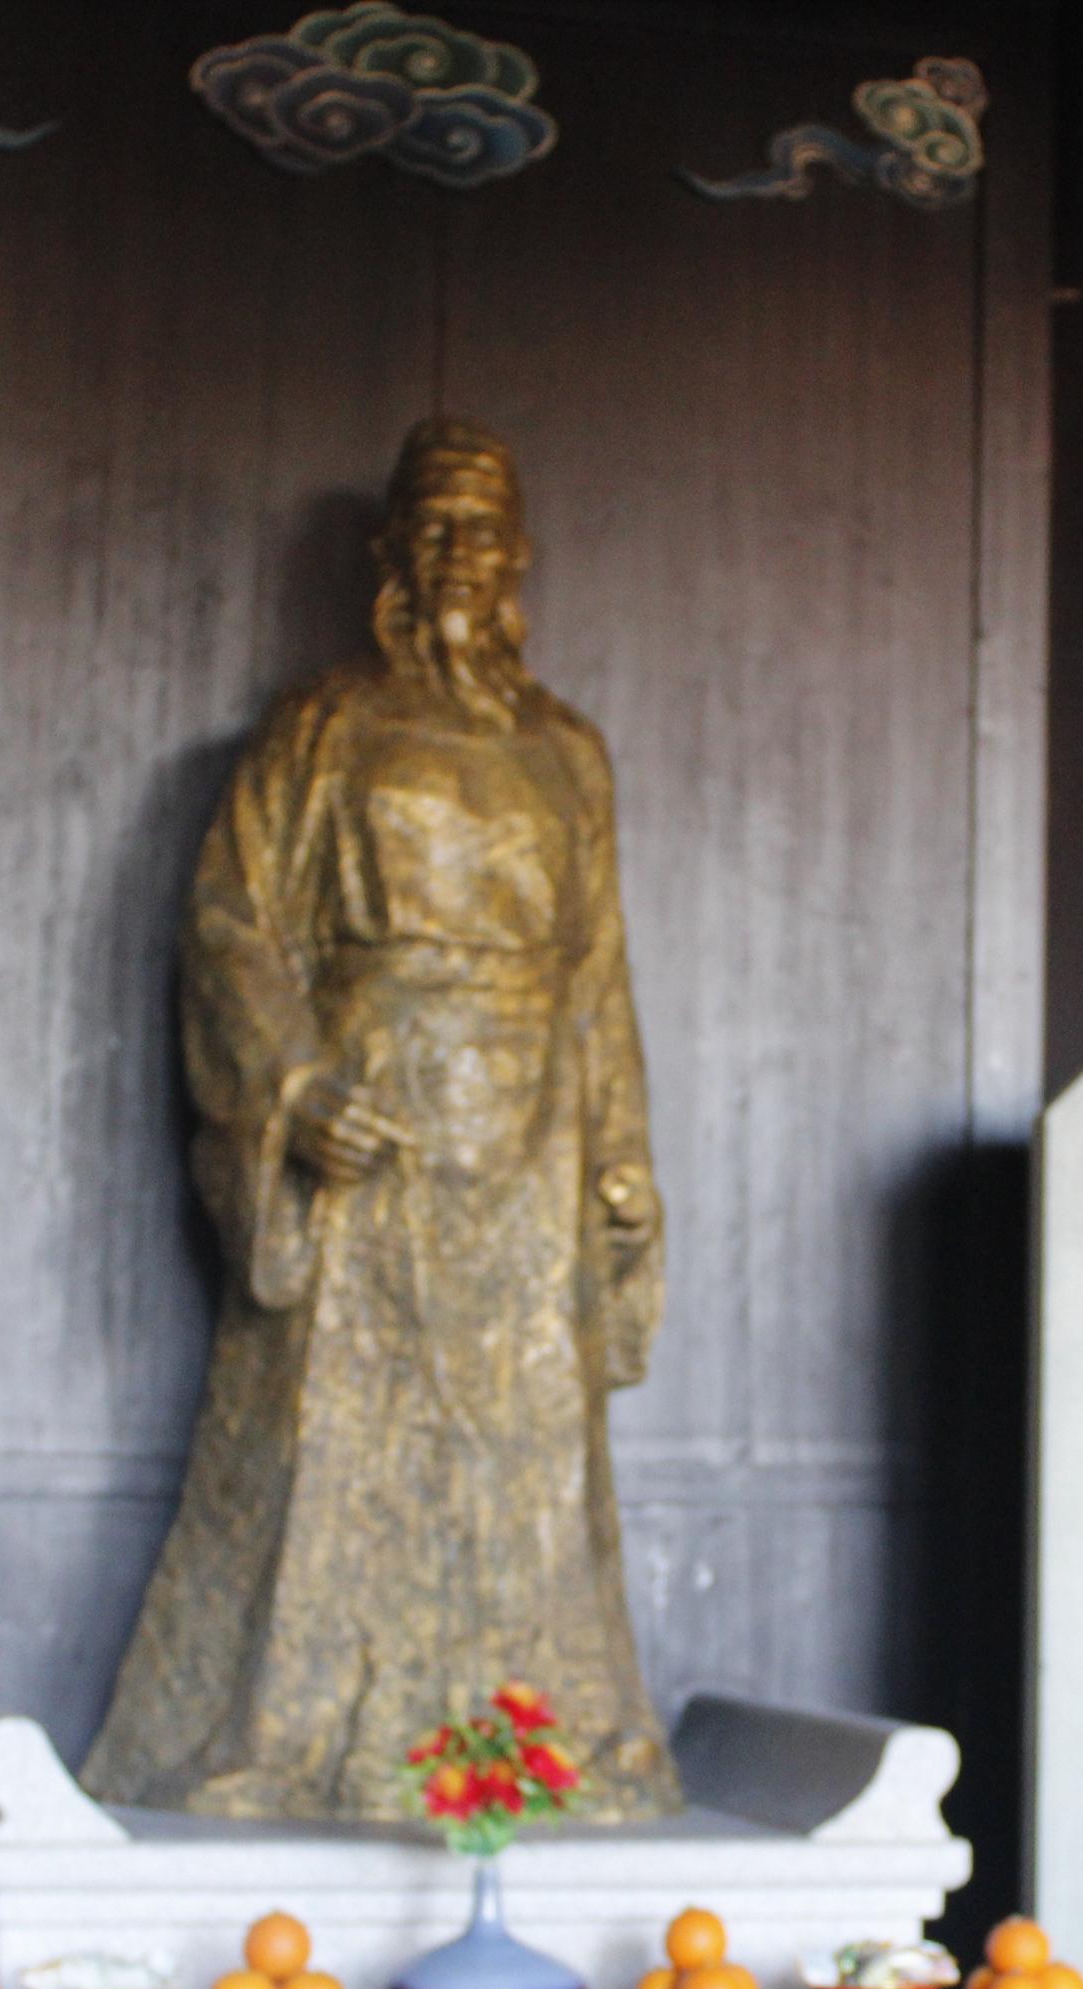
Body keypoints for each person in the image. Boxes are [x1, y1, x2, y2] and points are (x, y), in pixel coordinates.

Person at [79, 418, 682, 1821]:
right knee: (332, 1440)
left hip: (531, 1144)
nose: (463, 554)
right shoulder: (326, 725)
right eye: (438, 527)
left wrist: (621, 1160)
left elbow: (599, 979)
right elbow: (233, 924)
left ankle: (537, 1745)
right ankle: (303, 1738)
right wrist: (296, 1089)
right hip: (373, 1127)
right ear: (392, 552)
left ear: (520, 556)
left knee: (531, 1454)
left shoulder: (569, 753)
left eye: (486, 530)